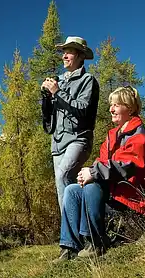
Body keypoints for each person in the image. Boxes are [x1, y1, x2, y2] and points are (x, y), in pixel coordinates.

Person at [54, 86, 145, 261]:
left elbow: (129, 165)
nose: (111, 109)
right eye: (111, 105)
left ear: (129, 108)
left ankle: (96, 242)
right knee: (72, 190)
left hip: (137, 196)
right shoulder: (112, 136)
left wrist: (93, 173)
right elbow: (101, 162)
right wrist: (87, 172)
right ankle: (69, 246)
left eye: (116, 105)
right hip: (117, 192)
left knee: (92, 185)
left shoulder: (139, 134)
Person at [41, 36, 100, 210]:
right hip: (58, 142)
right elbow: (49, 116)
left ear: (81, 56)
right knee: (62, 189)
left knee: (63, 176)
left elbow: (82, 108)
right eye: (64, 52)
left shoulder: (87, 80)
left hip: (78, 138)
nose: (64, 56)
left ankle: (75, 232)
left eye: (69, 52)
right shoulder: (57, 80)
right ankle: (76, 231)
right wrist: (46, 97)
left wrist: (57, 92)